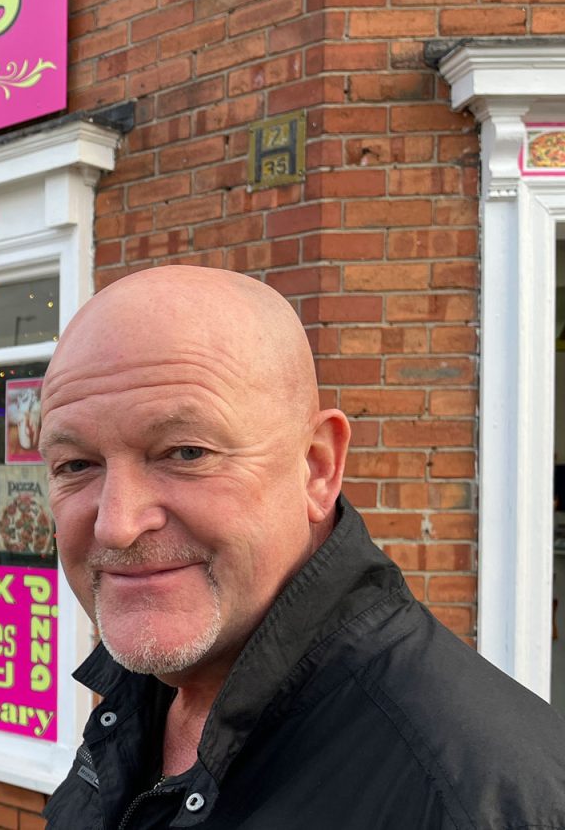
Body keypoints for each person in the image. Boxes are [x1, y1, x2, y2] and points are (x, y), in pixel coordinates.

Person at [38, 265, 565, 828]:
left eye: (186, 452)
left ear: (317, 468)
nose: (116, 525)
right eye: (76, 465)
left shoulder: (479, 796)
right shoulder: (145, 699)